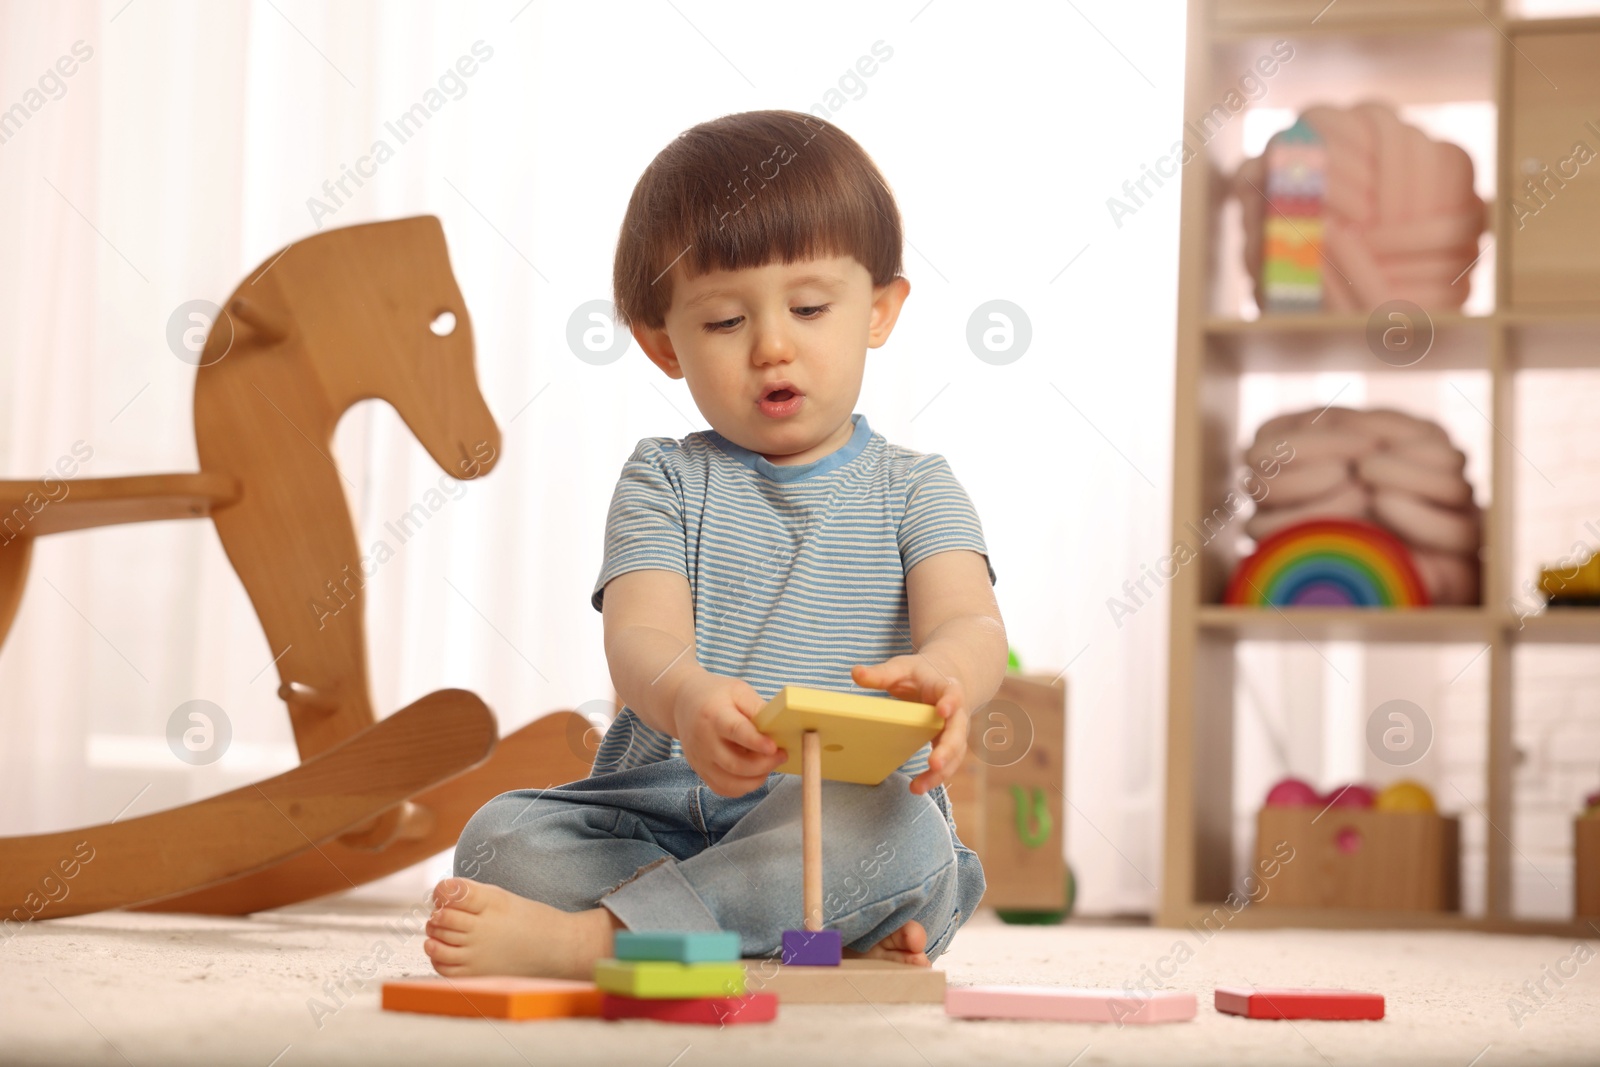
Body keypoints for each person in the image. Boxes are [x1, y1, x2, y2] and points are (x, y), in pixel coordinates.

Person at [424, 110, 1007, 980]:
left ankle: (608, 939)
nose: (773, 345)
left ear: (880, 309)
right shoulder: (662, 479)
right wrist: (687, 697)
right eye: (726, 322)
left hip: (841, 806)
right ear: (664, 342)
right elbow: (639, 639)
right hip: (663, 809)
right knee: (500, 839)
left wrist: (950, 677)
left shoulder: (916, 487)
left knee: (900, 836)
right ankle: (786, 920)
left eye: (809, 307)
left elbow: (971, 619)